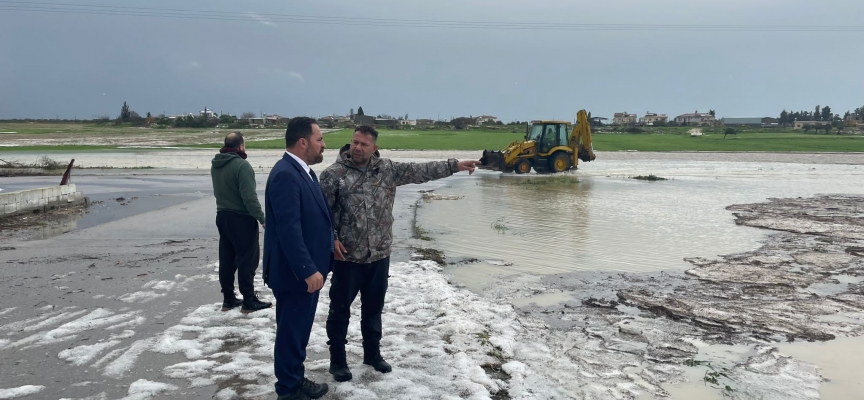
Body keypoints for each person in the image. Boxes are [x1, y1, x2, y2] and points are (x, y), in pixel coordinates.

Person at [319, 125, 480, 382]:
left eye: (364, 144)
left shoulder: (387, 170)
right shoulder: (333, 175)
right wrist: (332, 240)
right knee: (340, 311)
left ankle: (372, 354)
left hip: (380, 255)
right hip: (348, 257)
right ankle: (338, 360)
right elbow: (321, 214)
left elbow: (421, 171)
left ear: (374, 148)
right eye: (355, 142)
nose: (357, 148)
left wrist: (455, 165)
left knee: (374, 309)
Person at [263, 117, 332, 400]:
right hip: (295, 275)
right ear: (303, 142)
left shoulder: (304, 172)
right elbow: (288, 229)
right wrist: (307, 270)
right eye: (319, 140)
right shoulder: (285, 174)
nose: (323, 145)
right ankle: (288, 390)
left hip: (307, 273)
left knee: (298, 330)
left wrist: (332, 243)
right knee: (292, 332)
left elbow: (313, 220)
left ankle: (294, 378)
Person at [210, 131, 272, 314]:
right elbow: (249, 197)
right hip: (241, 218)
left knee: (227, 258)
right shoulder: (242, 165)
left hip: (222, 216)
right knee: (247, 259)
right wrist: (262, 219)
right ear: (241, 146)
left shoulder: (216, 164)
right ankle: (248, 300)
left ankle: (228, 299)